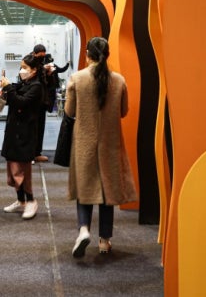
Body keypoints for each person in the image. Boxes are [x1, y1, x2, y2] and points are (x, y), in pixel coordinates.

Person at [65, 37, 137, 258]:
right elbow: (123, 111)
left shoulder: (77, 78)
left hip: (84, 142)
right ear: (108, 54)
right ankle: (105, 240)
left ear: (87, 54)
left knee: (84, 188)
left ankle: (84, 229)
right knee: (107, 192)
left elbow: (69, 111)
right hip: (110, 143)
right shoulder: (119, 80)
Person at [0, 52, 47, 219]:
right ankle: (21, 200)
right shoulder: (22, 84)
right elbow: (12, 99)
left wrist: (8, 88)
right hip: (13, 132)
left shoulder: (37, 87)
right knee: (13, 169)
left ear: (34, 70)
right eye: (21, 67)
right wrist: (4, 89)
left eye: (25, 67)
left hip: (25, 134)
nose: (22, 70)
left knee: (23, 171)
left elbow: (21, 102)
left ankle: (31, 200)